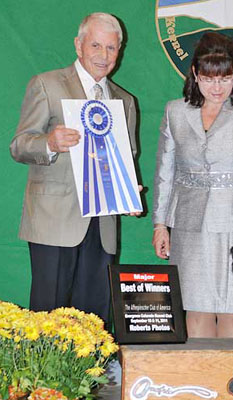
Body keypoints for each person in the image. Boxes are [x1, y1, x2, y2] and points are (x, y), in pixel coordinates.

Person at [10, 13, 140, 325]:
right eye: (96, 45)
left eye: (111, 48)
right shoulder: (47, 84)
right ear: (78, 45)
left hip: (103, 225)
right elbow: (19, 145)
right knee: (47, 319)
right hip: (53, 221)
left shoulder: (125, 101)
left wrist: (128, 192)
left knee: (94, 320)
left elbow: (129, 157)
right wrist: (49, 143)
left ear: (119, 52)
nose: (103, 55)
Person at [152, 32, 233, 338]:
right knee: (196, 308)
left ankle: (231, 371)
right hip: (188, 225)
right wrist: (160, 224)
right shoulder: (174, 111)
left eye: (225, 78)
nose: (217, 87)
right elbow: (165, 172)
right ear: (195, 74)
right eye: (208, 79)